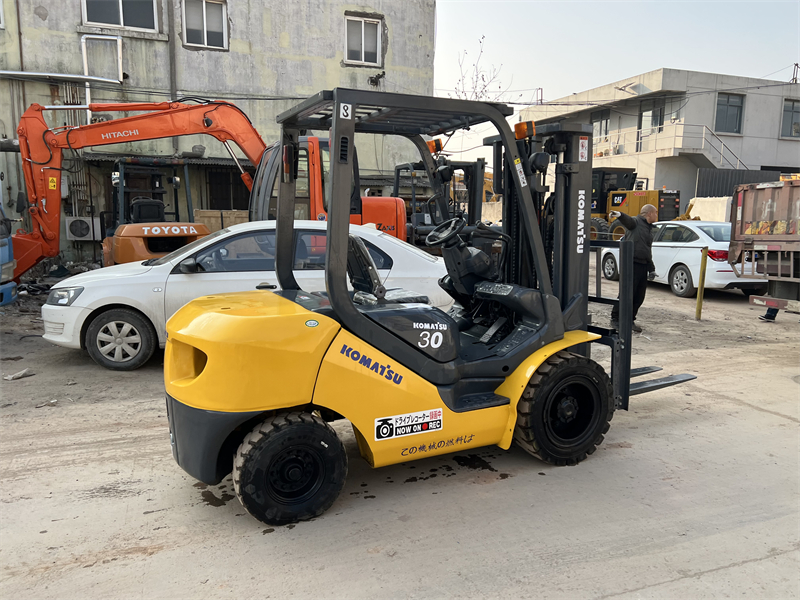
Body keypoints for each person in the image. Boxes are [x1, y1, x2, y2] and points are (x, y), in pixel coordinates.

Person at [609, 205, 658, 333]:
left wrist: (651, 268)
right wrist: (619, 214)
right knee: (626, 294)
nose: (657, 215)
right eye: (655, 213)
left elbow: (647, 250)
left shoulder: (648, 228)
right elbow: (628, 221)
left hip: (642, 265)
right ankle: (615, 319)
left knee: (639, 296)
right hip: (631, 264)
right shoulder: (636, 222)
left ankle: (629, 320)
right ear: (649, 214)